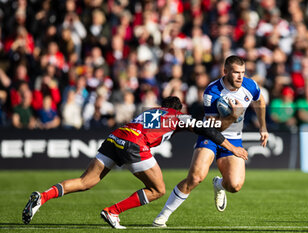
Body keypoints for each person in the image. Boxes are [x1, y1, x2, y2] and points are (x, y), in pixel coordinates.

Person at [22, 96, 248, 229]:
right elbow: (208, 130)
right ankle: (113, 211)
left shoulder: (151, 111)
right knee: (158, 189)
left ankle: (42, 197)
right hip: (135, 143)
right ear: (177, 109)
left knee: (85, 181)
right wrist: (232, 147)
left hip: (116, 136)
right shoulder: (178, 116)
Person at [153, 55, 269, 227]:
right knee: (195, 178)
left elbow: (260, 101)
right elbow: (215, 129)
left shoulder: (249, 85)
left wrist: (263, 126)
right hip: (211, 136)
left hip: (235, 138)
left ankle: (219, 184)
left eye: (243, 73)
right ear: (225, 72)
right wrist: (233, 116)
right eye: (236, 72)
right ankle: (163, 215)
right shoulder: (212, 91)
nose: (240, 77)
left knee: (234, 185)